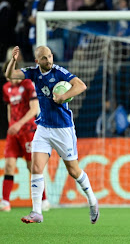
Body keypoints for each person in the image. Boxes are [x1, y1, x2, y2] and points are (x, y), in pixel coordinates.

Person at [5, 46, 99, 224]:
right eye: (44, 58)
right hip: (43, 128)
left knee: (73, 170)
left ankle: (92, 200)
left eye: (50, 57)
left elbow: (81, 85)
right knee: (36, 167)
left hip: (63, 128)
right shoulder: (33, 73)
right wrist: (13, 61)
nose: (48, 61)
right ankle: (37, 211)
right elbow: (12, 75)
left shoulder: (59, 72)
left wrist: (64, 97)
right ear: (37, 61)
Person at [0, 61, 50, 212]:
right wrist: (11, 125)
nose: (10, 80)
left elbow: (35, 109)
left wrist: (18, 124)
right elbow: (10, 107)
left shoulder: (28, 84)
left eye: (11, 76)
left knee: (32, 167)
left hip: (28, 131)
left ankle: (44, 200)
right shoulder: (6, 88)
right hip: (14, 133)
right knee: (8, 166)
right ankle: (5, 202)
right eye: (7, 77)